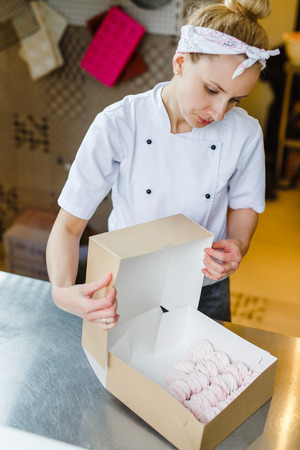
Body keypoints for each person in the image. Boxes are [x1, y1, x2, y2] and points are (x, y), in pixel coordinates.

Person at [46, 0, 279, 329]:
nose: (218, 112)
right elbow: (69, 226)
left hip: (204, 287)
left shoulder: (245, 132)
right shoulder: (120, 123)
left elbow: (244, 205)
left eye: (234, 100)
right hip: (127, 279)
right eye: (212, 90)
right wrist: (61, 290)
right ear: (180, 63)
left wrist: (238, 244)